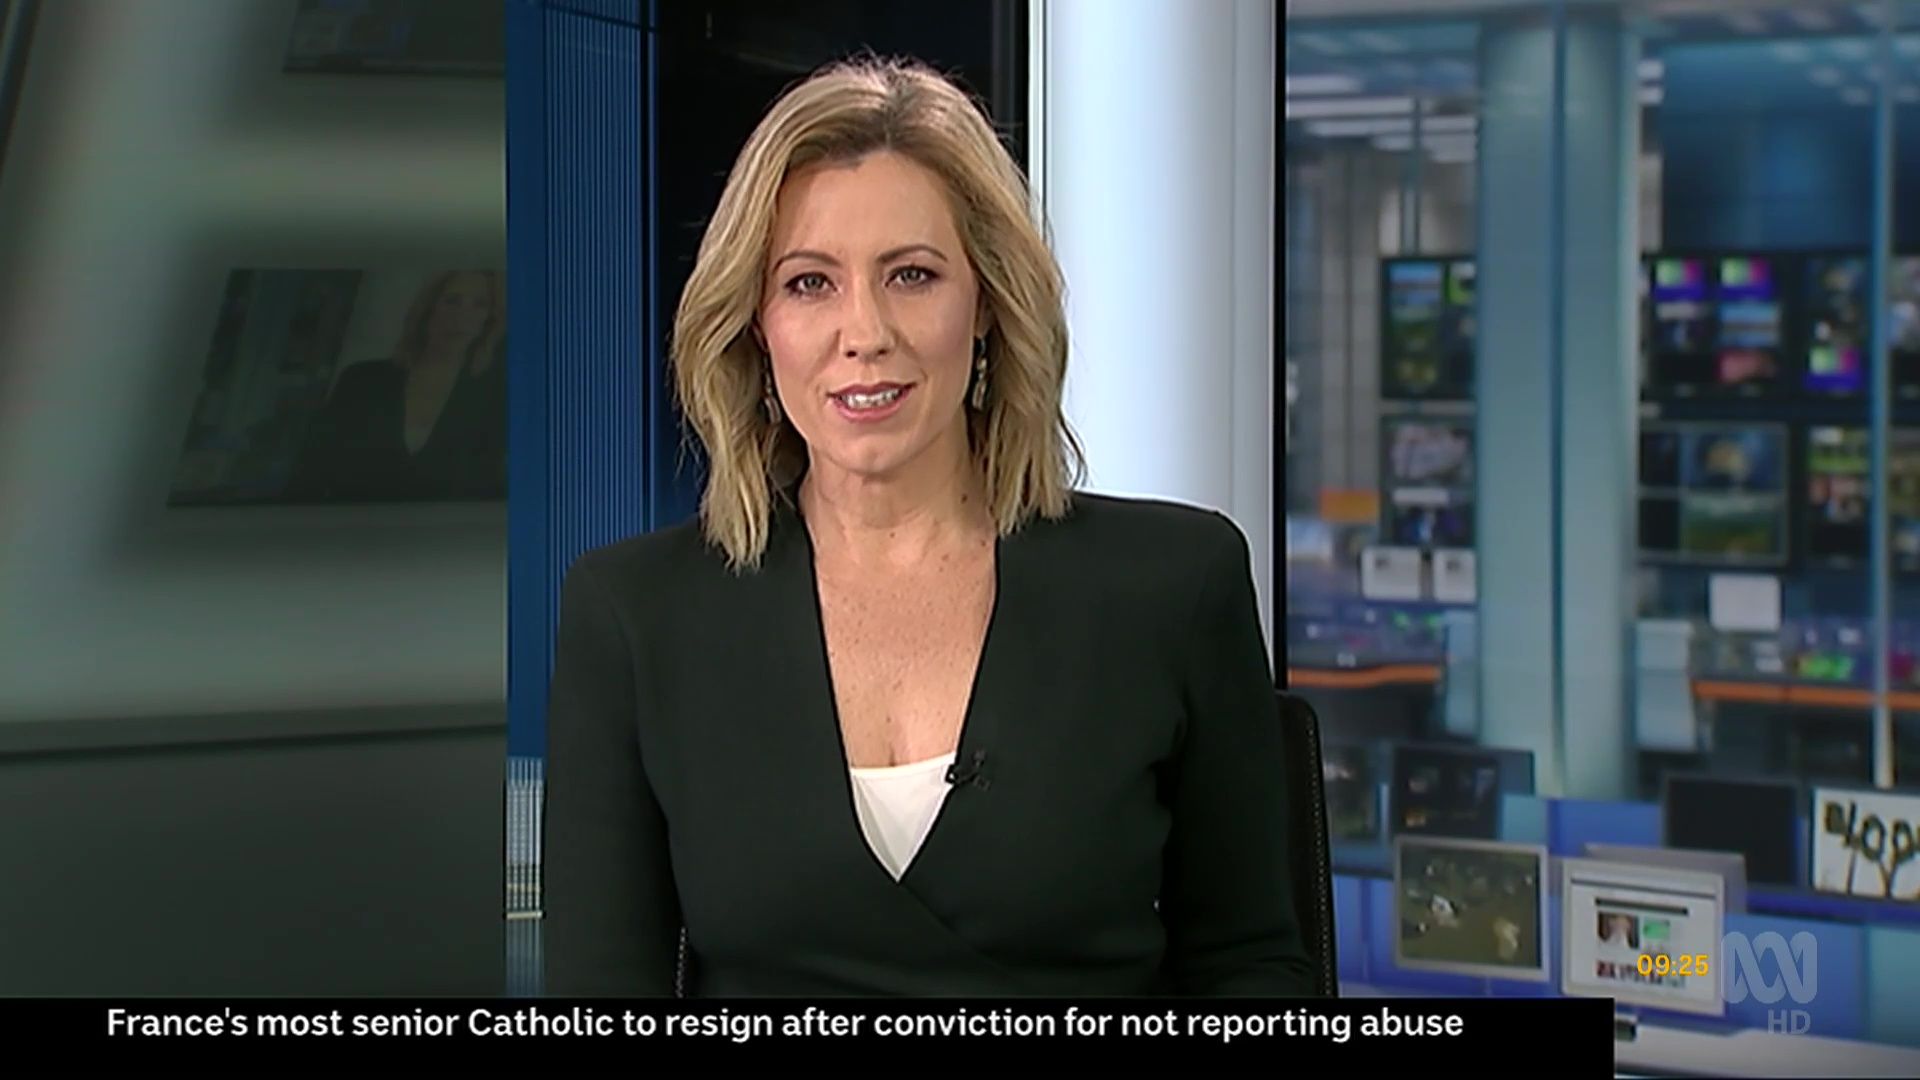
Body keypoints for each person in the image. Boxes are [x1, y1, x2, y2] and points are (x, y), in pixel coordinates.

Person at [541, 56, 1313, 997]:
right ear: (754, 323)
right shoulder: (635, 615)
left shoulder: (1174, 587)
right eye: (809, 283)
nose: (865, 332)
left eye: (912, 275)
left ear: (986, 303)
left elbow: (1249, 968)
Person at [284, 269, 505, 503]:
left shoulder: (494, 396)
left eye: (479, 305)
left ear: (489, 321)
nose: (462, 315)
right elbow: (311, 472)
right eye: (452, 300)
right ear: (428, 309)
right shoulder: (362, 380)